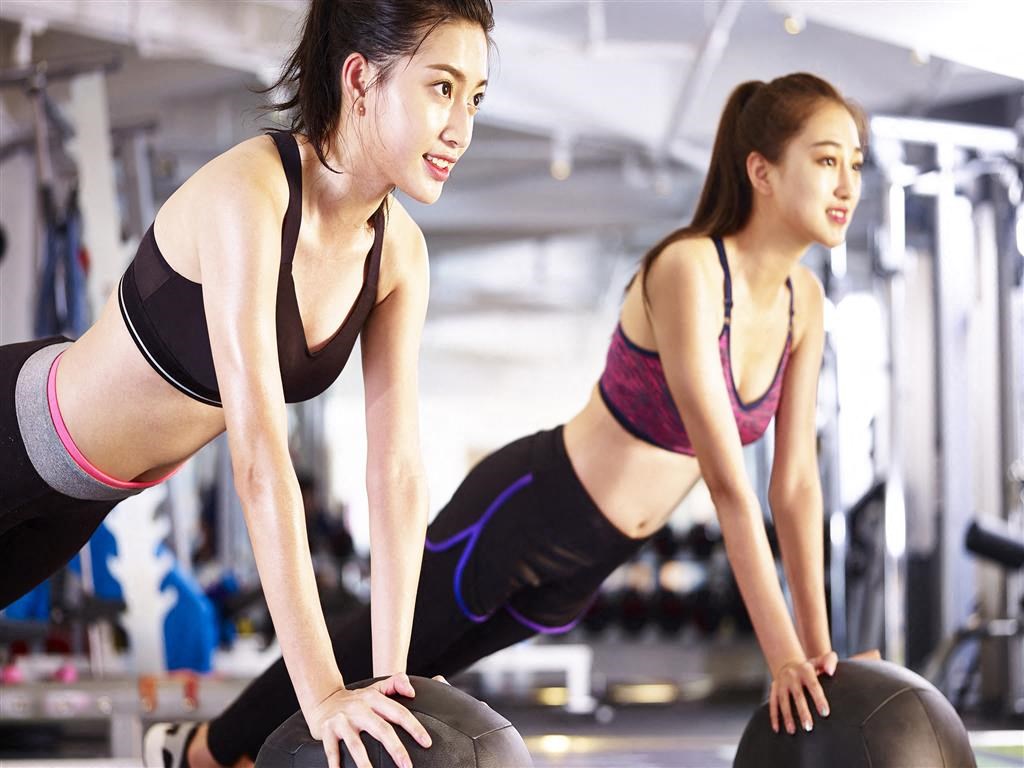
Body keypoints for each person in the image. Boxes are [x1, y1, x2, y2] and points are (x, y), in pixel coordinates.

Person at [157, 71, 865, 768]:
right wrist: (783, 659)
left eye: (855, 165)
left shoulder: (805, 302)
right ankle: (200, 750)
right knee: (371, 658)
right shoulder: (692, 271)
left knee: (416, 691)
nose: (847, 186)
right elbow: (729, 483)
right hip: (527, 514)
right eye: (827, 161)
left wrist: (818, 654)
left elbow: (795, 486)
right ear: (762, 171)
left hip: (591, 563)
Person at [0, 2, 494, 768]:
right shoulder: (252, 193)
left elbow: (395, 471)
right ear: (360, 80)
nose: (461, 127)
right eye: (442, 88)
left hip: (81, 502)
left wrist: (389, 679)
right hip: (18, 438)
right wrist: (322, 696)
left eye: (477, 98)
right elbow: (259, 457)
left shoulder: (399, 255)